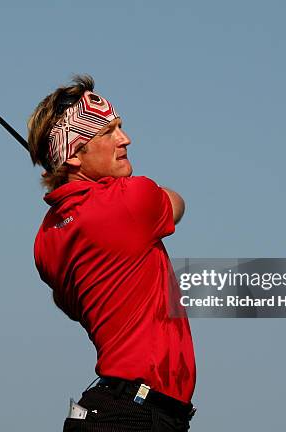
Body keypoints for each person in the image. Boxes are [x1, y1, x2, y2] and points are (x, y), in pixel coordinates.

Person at [28, 75, 196, 432]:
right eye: (108, 132)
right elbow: (176, 203)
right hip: (135, 416)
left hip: (112, 412)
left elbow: (71, 304)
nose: (125, 139)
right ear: (73, 155)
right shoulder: (131, 201)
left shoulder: (45, 238)